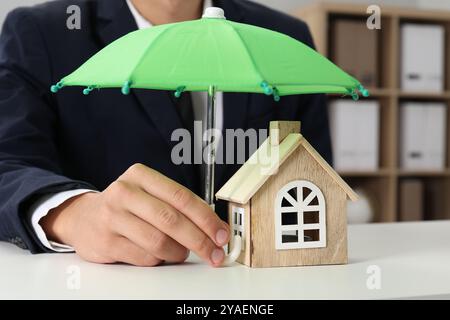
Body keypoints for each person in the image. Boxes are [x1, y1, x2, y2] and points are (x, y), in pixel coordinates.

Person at [0, 0, 332, 267]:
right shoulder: (40, 33)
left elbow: (315, 175)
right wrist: (71, 213)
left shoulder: (284, 36)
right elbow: (7, 164)